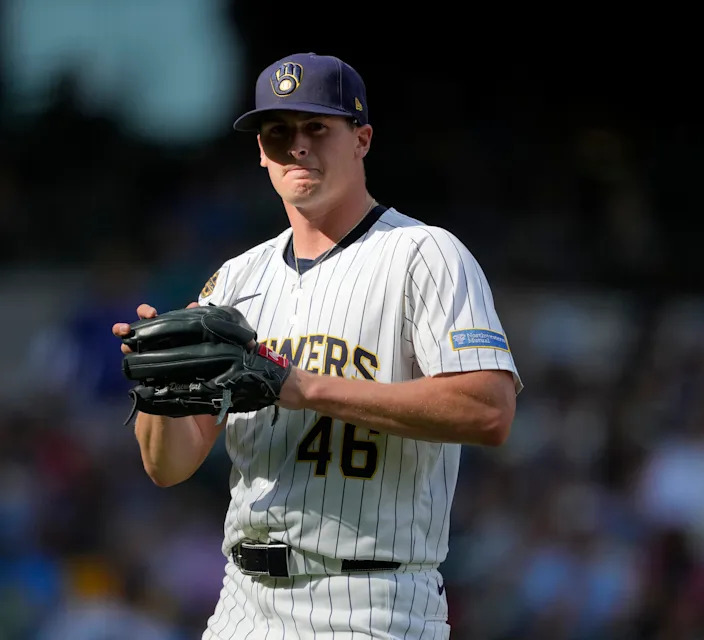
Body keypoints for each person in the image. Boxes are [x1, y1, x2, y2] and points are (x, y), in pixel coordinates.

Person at [111, 52, 523, 639]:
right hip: (243, 604)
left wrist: (299, 386)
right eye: (278, 132)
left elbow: (490, 409)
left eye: (316, 128)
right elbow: (170, 466)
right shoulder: (234, 279)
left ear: (361, 139)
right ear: (260, 152)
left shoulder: (424, 254)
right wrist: (158, 390)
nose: (296, 146)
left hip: (371, 602)